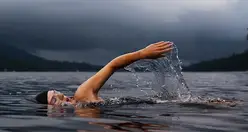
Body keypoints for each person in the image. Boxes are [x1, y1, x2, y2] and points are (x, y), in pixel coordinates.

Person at [35, 41, 173, 106]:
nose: (60, 95)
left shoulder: (82, 95)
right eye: (54, 99)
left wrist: (142, 54)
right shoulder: (79, 115)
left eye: (56, 92)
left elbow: (112, 65)